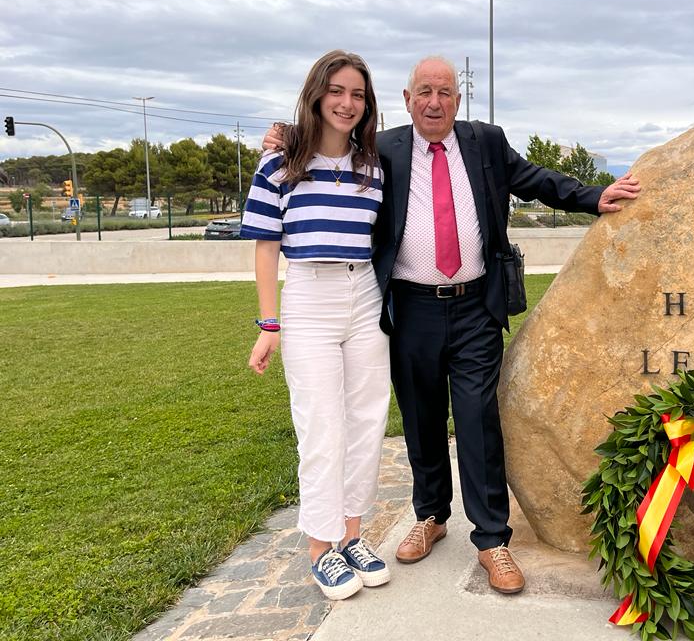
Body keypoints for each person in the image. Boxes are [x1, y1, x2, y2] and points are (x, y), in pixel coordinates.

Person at [266, 55, 640, 594]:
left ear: (457, 100)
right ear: (406, 98)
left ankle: (492, 541)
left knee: (476, 419)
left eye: (444, 92)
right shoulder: (383, 148)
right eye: (424, 92)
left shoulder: (485, 141)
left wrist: (592, 197)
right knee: (420, 418)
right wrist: (286, 137)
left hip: (474, 308)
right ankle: (430, 516)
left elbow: (535, 179)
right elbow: (328, 146)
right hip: (409, 307)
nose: (434, 102)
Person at [242, 50, 392, 601]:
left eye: (357, 94)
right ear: (316, 94)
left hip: (364, 294)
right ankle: (320, 547)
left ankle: (352, 534)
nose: (346, 103)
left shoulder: (374, 166)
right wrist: (268, 323)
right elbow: (265, 246)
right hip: (309, 294)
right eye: (337, 91)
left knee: (367, 418)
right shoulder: (278, 164)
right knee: (321, 425)